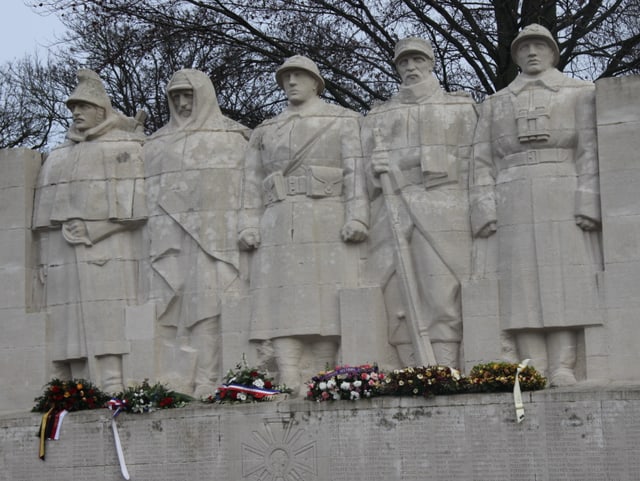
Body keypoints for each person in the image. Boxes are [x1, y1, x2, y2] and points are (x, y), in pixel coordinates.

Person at [470, 24, 602, 386]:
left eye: (539, 46)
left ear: (552, 52)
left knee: (565, 279)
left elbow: (590, 150)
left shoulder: (580, 93)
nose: (531, 52)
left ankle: (563, 364)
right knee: (520, 284)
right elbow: (480, 160)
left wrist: (588, 200)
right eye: (524, 46)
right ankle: (533, 365)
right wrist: (484, 208)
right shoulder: (495, 103)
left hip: (562, 187)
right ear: (515, 55)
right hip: (511, 192)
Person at [239, 55, 369, 392]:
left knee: (325, 297)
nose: (292, 82)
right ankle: (289, 374)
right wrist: (248, 224)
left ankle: (325, 376)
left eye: (299, 76)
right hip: (278, 218)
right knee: (280, 299)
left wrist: (357, 216)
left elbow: (356, 171)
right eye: (286, 77)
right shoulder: (266, 130)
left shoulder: (342, 120)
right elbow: (250, 182)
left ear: (316, 82)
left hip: (326, 214)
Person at [361, 37, 477, 368]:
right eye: (404, 62)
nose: (411, 67)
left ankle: (443, 369)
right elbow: (363, 173)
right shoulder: (380, 115)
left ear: (431, 63)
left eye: (418, 61)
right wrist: (375, 169)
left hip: (441, 208)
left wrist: (414, 160)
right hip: (391, 210)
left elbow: (473, 161)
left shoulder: (458, 108)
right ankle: (410, 372)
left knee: (440, 291)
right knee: (394, 295)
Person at [32, 69, 147, 393]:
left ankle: (113, 389)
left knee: (109, 323)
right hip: (63, 256)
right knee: (69, 327)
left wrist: (96, 232)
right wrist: (43, 260)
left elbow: (135, 210)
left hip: (109, 251)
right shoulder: (58, 157)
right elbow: (43, 221)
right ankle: (77, 391)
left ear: (101, 110)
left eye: (83, 106)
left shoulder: (123, 147)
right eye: (73, 108)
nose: (77, 113)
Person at [143, 69, 249, 397]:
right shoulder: (155, 143)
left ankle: (210, 376)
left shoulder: (232, 136)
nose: (183, 102)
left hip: (215, 237)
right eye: (175, 97)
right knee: (173, 310)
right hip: (169, 239)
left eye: (188, 95)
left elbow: (245, 187)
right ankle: (176, 378)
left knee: (209, 307)